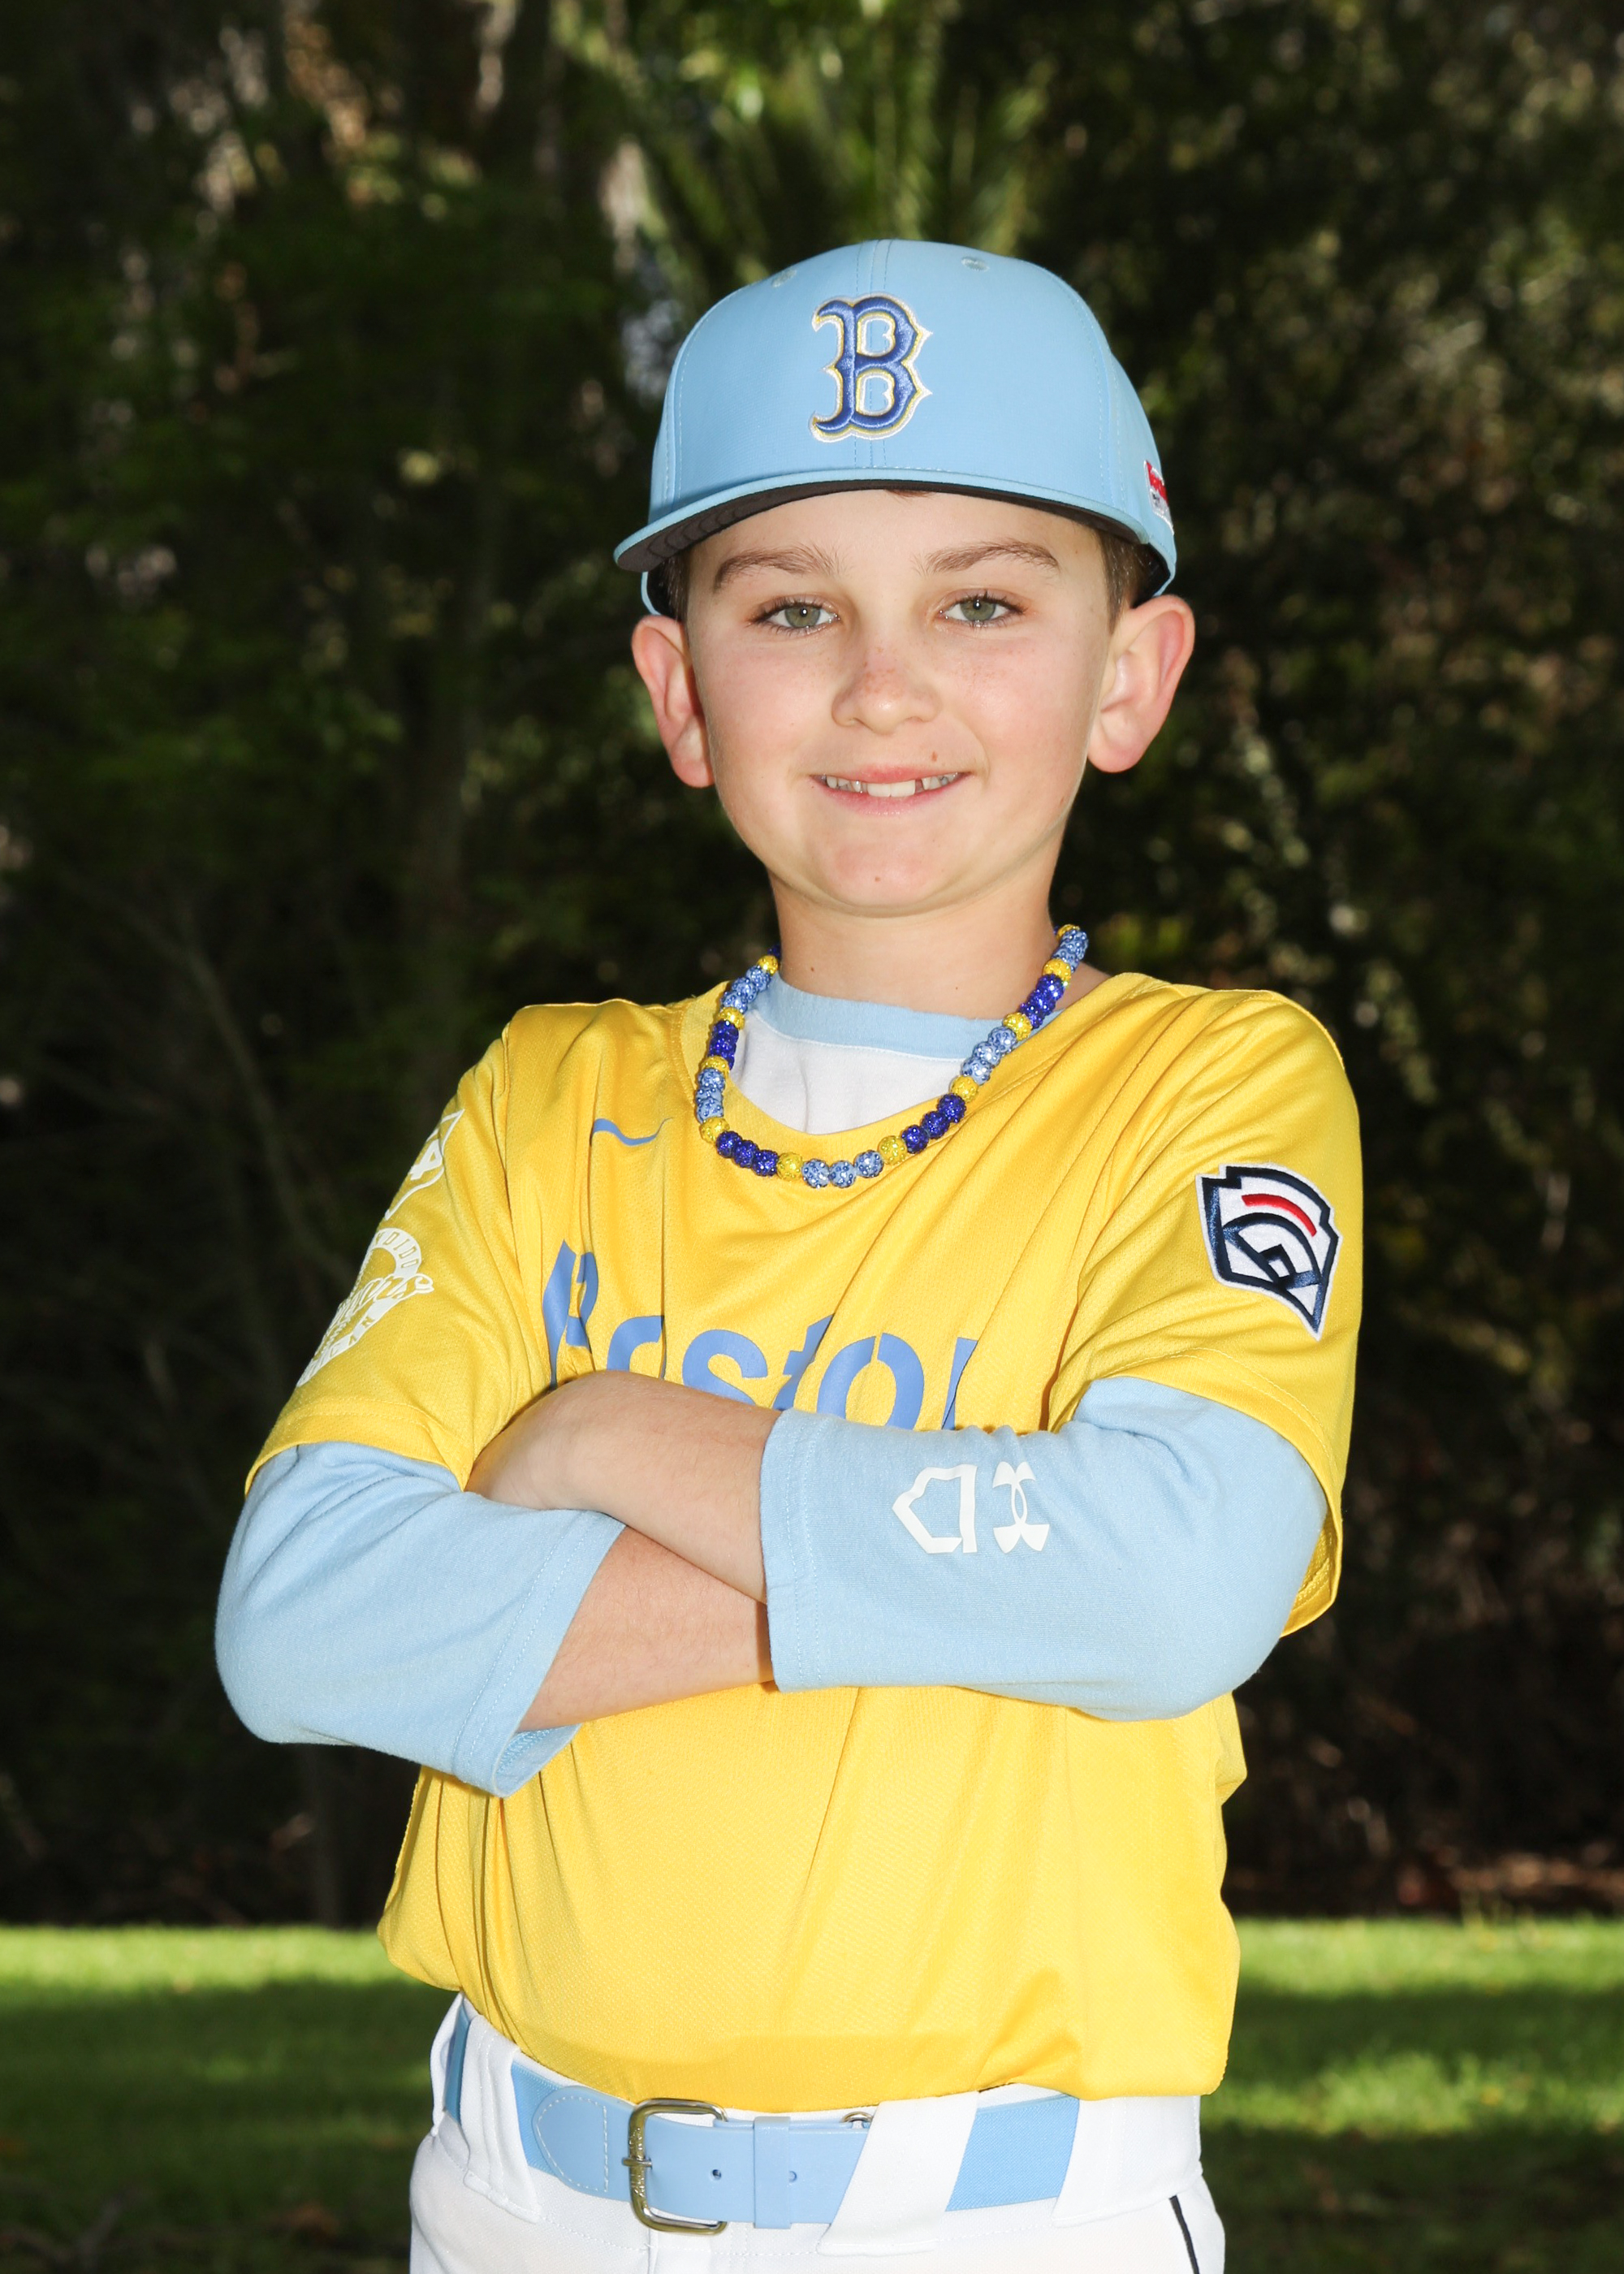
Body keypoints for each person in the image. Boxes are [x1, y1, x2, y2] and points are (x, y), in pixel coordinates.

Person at [217, 238, 1361, 2272]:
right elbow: (302, 1616)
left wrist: (610, 1431)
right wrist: (986, 1578)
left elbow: (1178, 1576)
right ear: (681, 690)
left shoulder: (1210, 1084)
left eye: (983, 601)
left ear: (1129, 674)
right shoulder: (553, 1095)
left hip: (1006, 2221)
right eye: (790, 604)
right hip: (515, 2200)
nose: (881, 683)